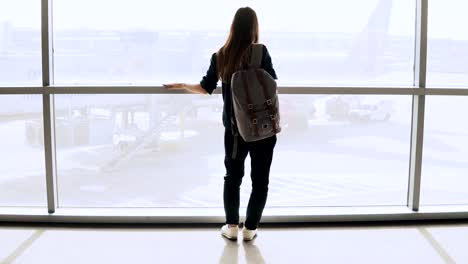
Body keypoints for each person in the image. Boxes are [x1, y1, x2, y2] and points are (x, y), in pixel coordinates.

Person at [164, 6, 277, 241]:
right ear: (255, 27)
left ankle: (232, 227)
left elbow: (206, 87)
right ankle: (251, 230)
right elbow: (271, 82)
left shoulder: (221, 55)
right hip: (263, 129)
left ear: (233, 27)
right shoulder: (261, 52)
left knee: (233, 178)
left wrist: (183, 85)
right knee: (260, 180)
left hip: (235, 130)